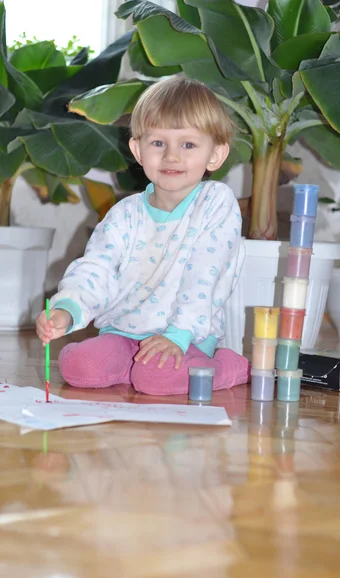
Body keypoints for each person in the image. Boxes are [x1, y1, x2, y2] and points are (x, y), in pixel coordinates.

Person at [36, 77, 250, 395]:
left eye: (188, 144)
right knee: (79, 367)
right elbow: (97, 268)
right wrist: (67, 310)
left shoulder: (215, 203)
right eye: (158, 143)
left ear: (215, 155)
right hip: (122, 332)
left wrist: (178, 335)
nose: (172, 156)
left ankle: (228, 366)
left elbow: (205, 276)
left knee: (155, 378)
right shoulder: (125, 213)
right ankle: (131, 367)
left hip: (184, 335)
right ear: (138, 149)